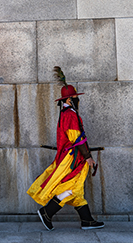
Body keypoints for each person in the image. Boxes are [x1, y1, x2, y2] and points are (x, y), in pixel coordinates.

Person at [27, 66, 104, 231]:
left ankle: (86, 220)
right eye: (75, 97)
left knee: (75, 188)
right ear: (69, 100)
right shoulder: (70, 115)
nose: (77, 99)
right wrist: (88, 156)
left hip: (72, 157)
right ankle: (47, 212)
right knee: (69, 186)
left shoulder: (66, 113)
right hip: (72, 158)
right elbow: (77, 139)